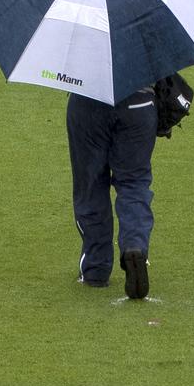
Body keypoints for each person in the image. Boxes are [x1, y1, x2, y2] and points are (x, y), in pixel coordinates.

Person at [66, 86, 156, 299]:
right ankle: (135, 246)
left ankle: (96, 268)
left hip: (88, 101)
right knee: (134, 183)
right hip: (139, 103)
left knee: (91, 184)